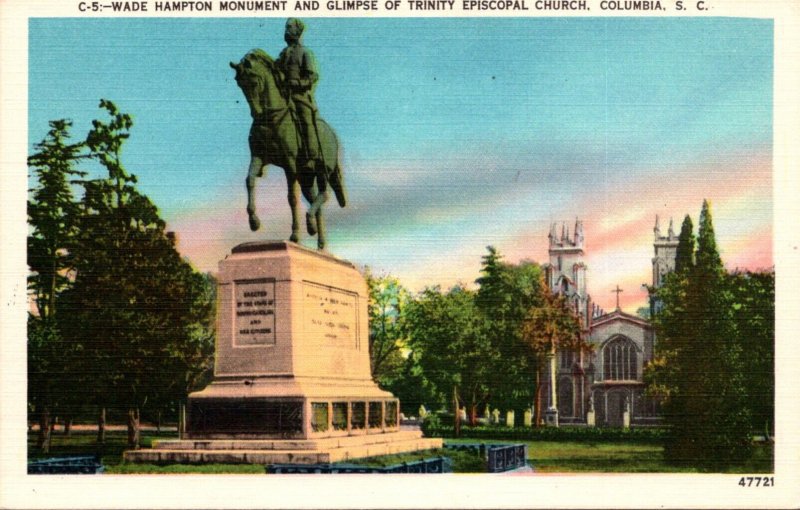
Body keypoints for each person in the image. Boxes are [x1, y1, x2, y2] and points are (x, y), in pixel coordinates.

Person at [278, 18, 322, 172]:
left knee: (305, 120)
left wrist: (298, 83)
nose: (286, 31)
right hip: (284, 97)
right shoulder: (283, 53)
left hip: (300, 97)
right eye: (286, 28)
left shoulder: (305, 52)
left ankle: (312, 157)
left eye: (289, 28)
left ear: (298, 31)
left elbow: (313, 76)